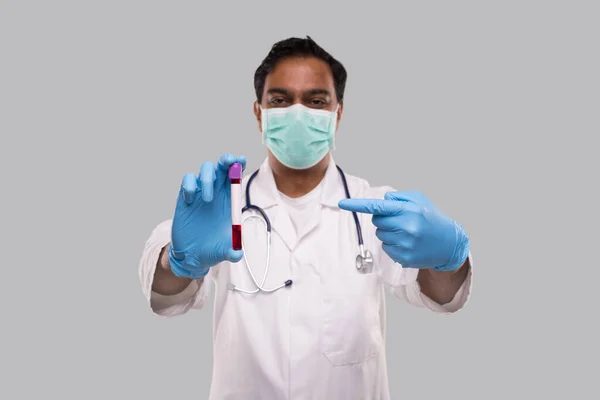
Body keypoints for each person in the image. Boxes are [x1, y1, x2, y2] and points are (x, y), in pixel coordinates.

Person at [138, 35, 473, 399]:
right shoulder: (223, 205)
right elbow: (166, 297)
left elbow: (440, 296)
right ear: (259, 113)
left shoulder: (374, 206)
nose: (298, 113)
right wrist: (177, 261)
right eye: (280, 100)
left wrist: (447, 258)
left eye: (316, 101)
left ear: (337, 114)